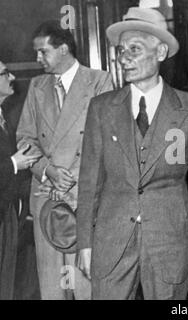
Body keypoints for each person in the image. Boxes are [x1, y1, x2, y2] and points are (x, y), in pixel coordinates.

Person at [76, 6, 188, 300]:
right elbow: (90, 182)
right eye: (121, 50)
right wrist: (84, 243)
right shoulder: (101, 108)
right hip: (110, 242)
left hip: (170, 243)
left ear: (161, 52)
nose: (124, 57)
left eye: (135, 49)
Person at [16, 20, 113, 300]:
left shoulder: (99, 80)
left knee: (85, 284)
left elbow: (106, 140)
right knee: (53, 286)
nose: (37, 59)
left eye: (42, 52)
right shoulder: (37, 87)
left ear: (63, 49)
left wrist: (67, 178)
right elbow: (25, 139)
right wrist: (48, 171)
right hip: (47, 196)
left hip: (84, 195)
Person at [0, 61, 40, 299]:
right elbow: (12, 163)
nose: (12, 76)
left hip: (9, 213)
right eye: (5, 73)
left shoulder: (5, 115)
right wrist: (14, 164)